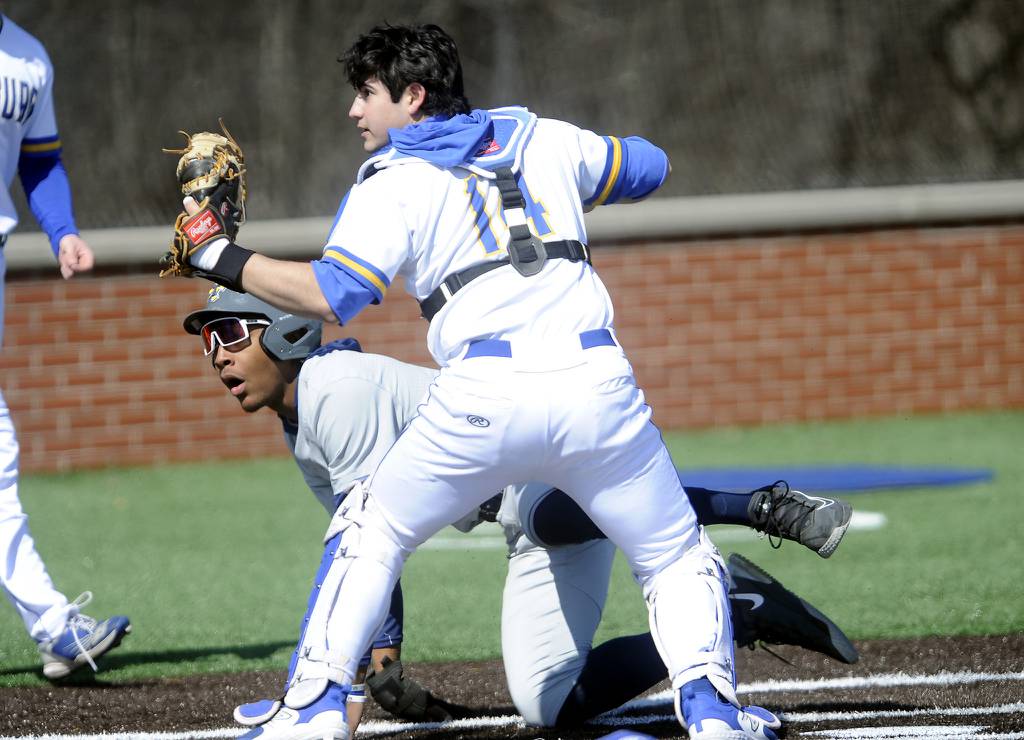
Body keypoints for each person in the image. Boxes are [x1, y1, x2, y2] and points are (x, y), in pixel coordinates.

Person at [167, 22, 851, 738]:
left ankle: (311, 712)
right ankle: (715, 718)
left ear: (414, 96)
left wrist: (219, 253)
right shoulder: (544, 136)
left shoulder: (393, 178)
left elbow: (330, 295)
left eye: (368, 94)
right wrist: (541, 164)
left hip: (485, 393)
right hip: (597, 385)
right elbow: (650, 164)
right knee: (674, 553)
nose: (355, 111)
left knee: (371, 530)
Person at [182, 288, 857, 736]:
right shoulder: (300, 425)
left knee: (540, 513)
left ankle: (760, 506)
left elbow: (377, 548)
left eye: (232, 334)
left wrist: (345, 692)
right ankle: (737, 610)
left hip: (539, 473)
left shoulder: (333, 389)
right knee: (547, 705)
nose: (218, 357)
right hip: (516, 520)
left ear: (291, 332)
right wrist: (384, 667)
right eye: (207, 343)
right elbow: (366, 558)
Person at [0, 13, 130, 680]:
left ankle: (53, 628)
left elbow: (39, 159)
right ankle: (53, 626)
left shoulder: (28, 57)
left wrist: (62, 231)